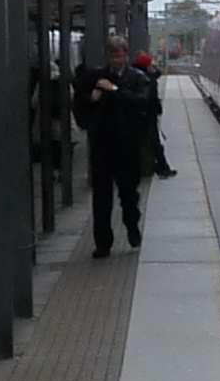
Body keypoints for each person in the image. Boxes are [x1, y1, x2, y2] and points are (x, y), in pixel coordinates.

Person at [74, 59, 151, 254]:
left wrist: (115, 90)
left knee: (129, 194)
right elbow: (79, 103)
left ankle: (132, 227)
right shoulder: (95, 77)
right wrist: (91, 99)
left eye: (119, 54)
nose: (116, 59)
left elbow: (142, 102)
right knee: (101, 197)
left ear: (125, 56)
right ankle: (103, 244)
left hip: (127, 147)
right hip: (101, 146)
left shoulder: (137, 78)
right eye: (112, 54)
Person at [130, 49, 175, 178]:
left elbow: (158, 73)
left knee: (150, 143)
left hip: (144, 115)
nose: (152, 66)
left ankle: (158, 167)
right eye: (150, 64)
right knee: (154, 143)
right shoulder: (147, 79)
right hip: (147, 116)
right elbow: (150, 98)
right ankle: (162, 168)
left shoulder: (137, 75)